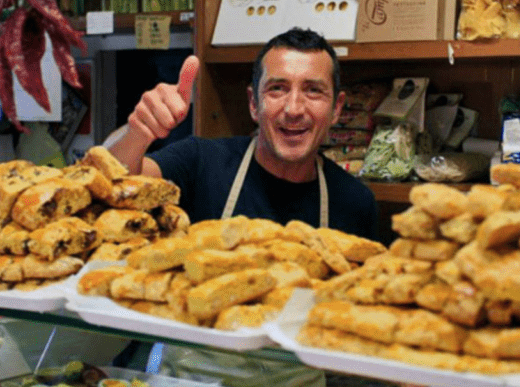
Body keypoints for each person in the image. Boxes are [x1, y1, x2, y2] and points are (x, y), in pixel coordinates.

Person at [107, 26, 379, 242]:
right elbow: (111, 186)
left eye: (313, 90)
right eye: (277, 89)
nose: (294, 109)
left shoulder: (355, 203)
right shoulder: (200, 163)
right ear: (253, 103)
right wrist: (138, 132)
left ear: (336, 109)